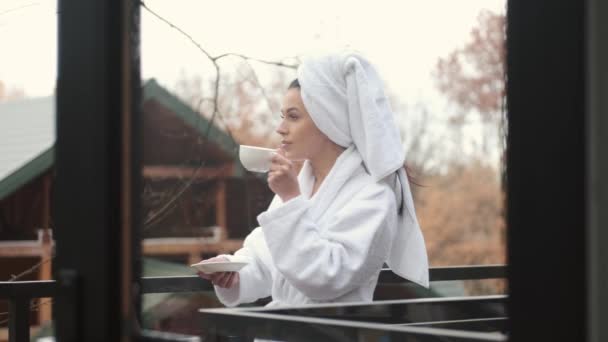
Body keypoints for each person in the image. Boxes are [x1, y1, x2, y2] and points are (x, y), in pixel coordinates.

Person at [198, 50, 429, 308]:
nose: (280, 128)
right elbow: (267, 260)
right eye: (282, 116)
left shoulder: (374, 197)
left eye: (293, 117)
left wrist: (290, 199)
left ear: (329, 120)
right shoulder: (304, 186)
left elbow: (326, 278)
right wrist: (233, 271)